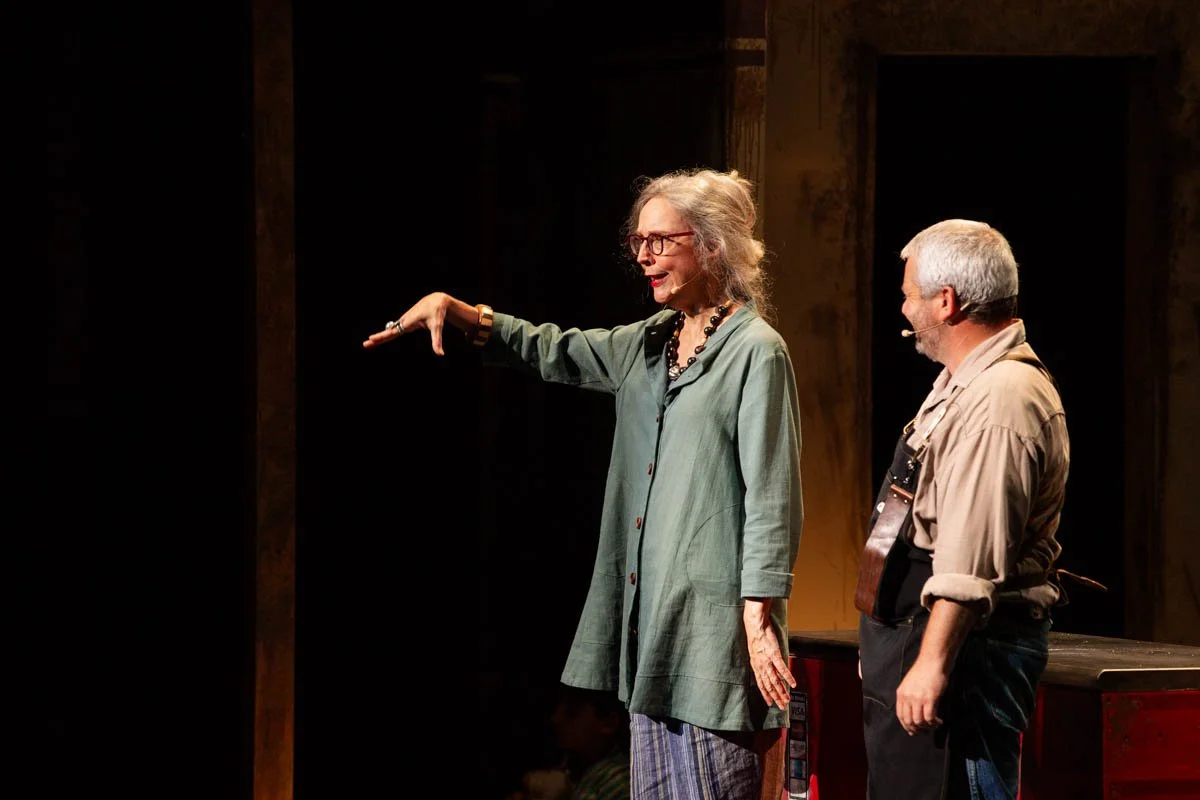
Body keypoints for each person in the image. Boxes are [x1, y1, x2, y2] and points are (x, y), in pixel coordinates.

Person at [364, 167, 804, 799]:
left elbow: (773, 495)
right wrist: (457, 311)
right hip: (653, 629)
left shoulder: (755, 352)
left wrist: (759, 612)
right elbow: (554, 349)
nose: (645, 256)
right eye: (638, 242)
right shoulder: (648, 345)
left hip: (713, 633)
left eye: (660, 241)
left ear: (711, 245)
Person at [853, 219, 1070, 800]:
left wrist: (930, 664)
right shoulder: (964, 381)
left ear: (945, 301)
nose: (904, 310)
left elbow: (970, 557)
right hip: (919, 637)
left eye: (909, 295)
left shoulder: (1001, 398)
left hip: (969, 654)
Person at [505, 684, 631, 800]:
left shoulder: (618, 780)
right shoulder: (571, 768)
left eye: (572, 712)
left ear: (608, 723)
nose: (556, 718)